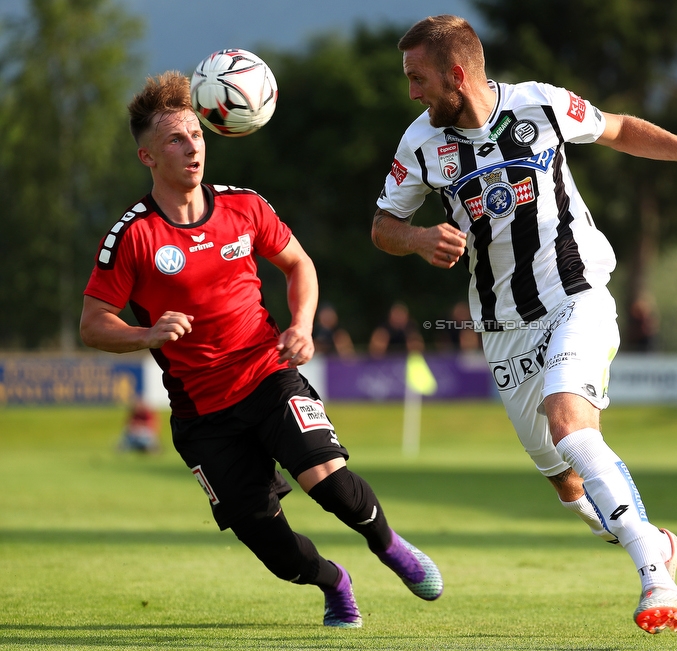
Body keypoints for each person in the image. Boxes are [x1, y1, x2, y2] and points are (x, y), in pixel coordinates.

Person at [370, 15, 677, 634]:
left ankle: (655, 577)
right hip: (502, 328)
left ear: (456, 73)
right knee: (569, 486)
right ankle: (655, 539)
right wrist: (416, 237)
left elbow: (619, 128)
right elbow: (383, 224)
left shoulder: (541, 105)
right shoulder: (420, 143)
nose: (411, 91)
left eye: (418, 78)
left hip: (576, 297)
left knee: (568, 419)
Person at [79, 71, 441, 629]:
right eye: (175, 140)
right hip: (203, 415)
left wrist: (301, 324)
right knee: (274, 549)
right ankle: (334, 582)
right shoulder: (132, 236)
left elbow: (300, 264)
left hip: (269, 376)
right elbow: (93, 324)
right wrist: (145, 335)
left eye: (197, 135)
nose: (192, 147)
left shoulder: (244, 207)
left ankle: (389, 546)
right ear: (147, 156)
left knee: (331, 484)